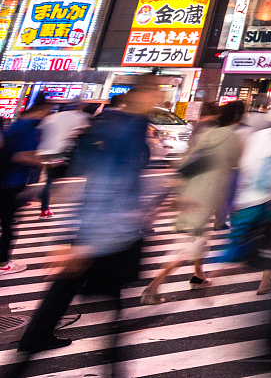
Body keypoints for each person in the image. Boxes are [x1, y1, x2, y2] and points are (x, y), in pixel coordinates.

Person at [0, 79, 162, 377]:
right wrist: (78, 240)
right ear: (140, 95)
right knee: (92, 307)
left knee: (72, 304)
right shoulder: (125, 129)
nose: (158, 98)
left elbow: (106, 179)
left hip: (108, 233)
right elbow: (105, 183)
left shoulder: (120, 125)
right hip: (102, 236)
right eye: (154, 92)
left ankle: (30, 356)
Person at [141, 99, 244, 304]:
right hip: (207, 194)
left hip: (191, 190)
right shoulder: (233, 138)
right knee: (187, 244)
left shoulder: (206, 134)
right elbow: (236, 163)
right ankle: (152, 288)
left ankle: (199, 275)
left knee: (199, 237)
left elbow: (187, 160)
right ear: (238, 117)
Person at [220, 105, 271, 294]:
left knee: (251, 236)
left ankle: (241, 263)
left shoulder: (254, 139)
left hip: (250, 199)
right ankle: (265, 281)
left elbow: (244, 169)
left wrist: (237, 199)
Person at [0, 96, 49, 271]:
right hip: (9, 183)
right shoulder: (29, 127)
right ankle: (3, 263)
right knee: (8, 225)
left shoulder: (16, 124)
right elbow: (20, 156)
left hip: (6, 181)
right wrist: (44, 162)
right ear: (42, 110)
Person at [35, 100, 89, 219]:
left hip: (45, 152)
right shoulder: (79, 116)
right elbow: (84, 133)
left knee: (49, 180)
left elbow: (39, 133)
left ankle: (44, 208)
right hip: (62, 153)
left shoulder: (50, 117)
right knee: (80, 174)